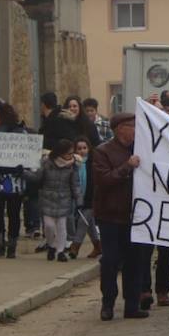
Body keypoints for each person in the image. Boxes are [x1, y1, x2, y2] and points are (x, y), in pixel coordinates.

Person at [92, 113, 148, 319]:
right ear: (119, 129)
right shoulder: (102, 152)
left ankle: (132, 305)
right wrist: (127, 167)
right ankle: (108, 304)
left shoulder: (140, 151)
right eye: (131, 126)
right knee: (110, 262)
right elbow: (104, 180)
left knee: (135, 262)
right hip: (110, 216)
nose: (135, 130)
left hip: (135, 217)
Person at [0, 102, 28, 258]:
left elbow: (27, 155)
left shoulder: (19, 132)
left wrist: (22, 168)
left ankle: (12, 246)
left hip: (14, 180)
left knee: (14, 213)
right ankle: (0, 243)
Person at [68, 137, 103, 260]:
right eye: (79, 148)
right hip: (78, 197)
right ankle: (98, 246)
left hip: (91, 197)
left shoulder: (93, 162)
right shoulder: (73, 164)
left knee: (83, 222)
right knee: (89, 223)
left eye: (84, 148)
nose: (82, 151)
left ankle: (75, 247)